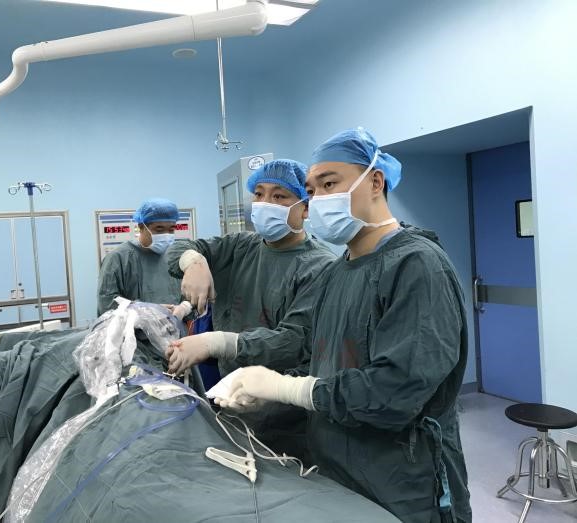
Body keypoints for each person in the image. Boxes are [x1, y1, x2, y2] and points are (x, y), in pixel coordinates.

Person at [217, 128, 472, 523]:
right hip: (335, 466)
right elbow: (325, 363)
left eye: (329, 184)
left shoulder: (417, 266)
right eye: (312, 190)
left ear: (375, 181)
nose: (319, 198)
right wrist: (271, 390)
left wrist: (291, 389)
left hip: (403, 480)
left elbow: (397, 390)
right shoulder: (338, 272)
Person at [164, 159, 335, 378]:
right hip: (228, 382)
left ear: (306, 208)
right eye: (259, 194)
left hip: (278, 391)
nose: (265, 203)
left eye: (279, 196)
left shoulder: (320, 266)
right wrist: (192, 261)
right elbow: (179, 249)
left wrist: (217, 343)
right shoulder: (241, 245)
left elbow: (294, 341)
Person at [97, 198, 182, 316]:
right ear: (141, 227)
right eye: (159, 229)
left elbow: (186, 295)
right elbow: (107, 305)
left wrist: (185, 307)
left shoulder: (174, 257)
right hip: (135, 327)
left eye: (171, 229)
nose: (166, 235)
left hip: (174, 325)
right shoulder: (118, 258)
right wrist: (147, 311)